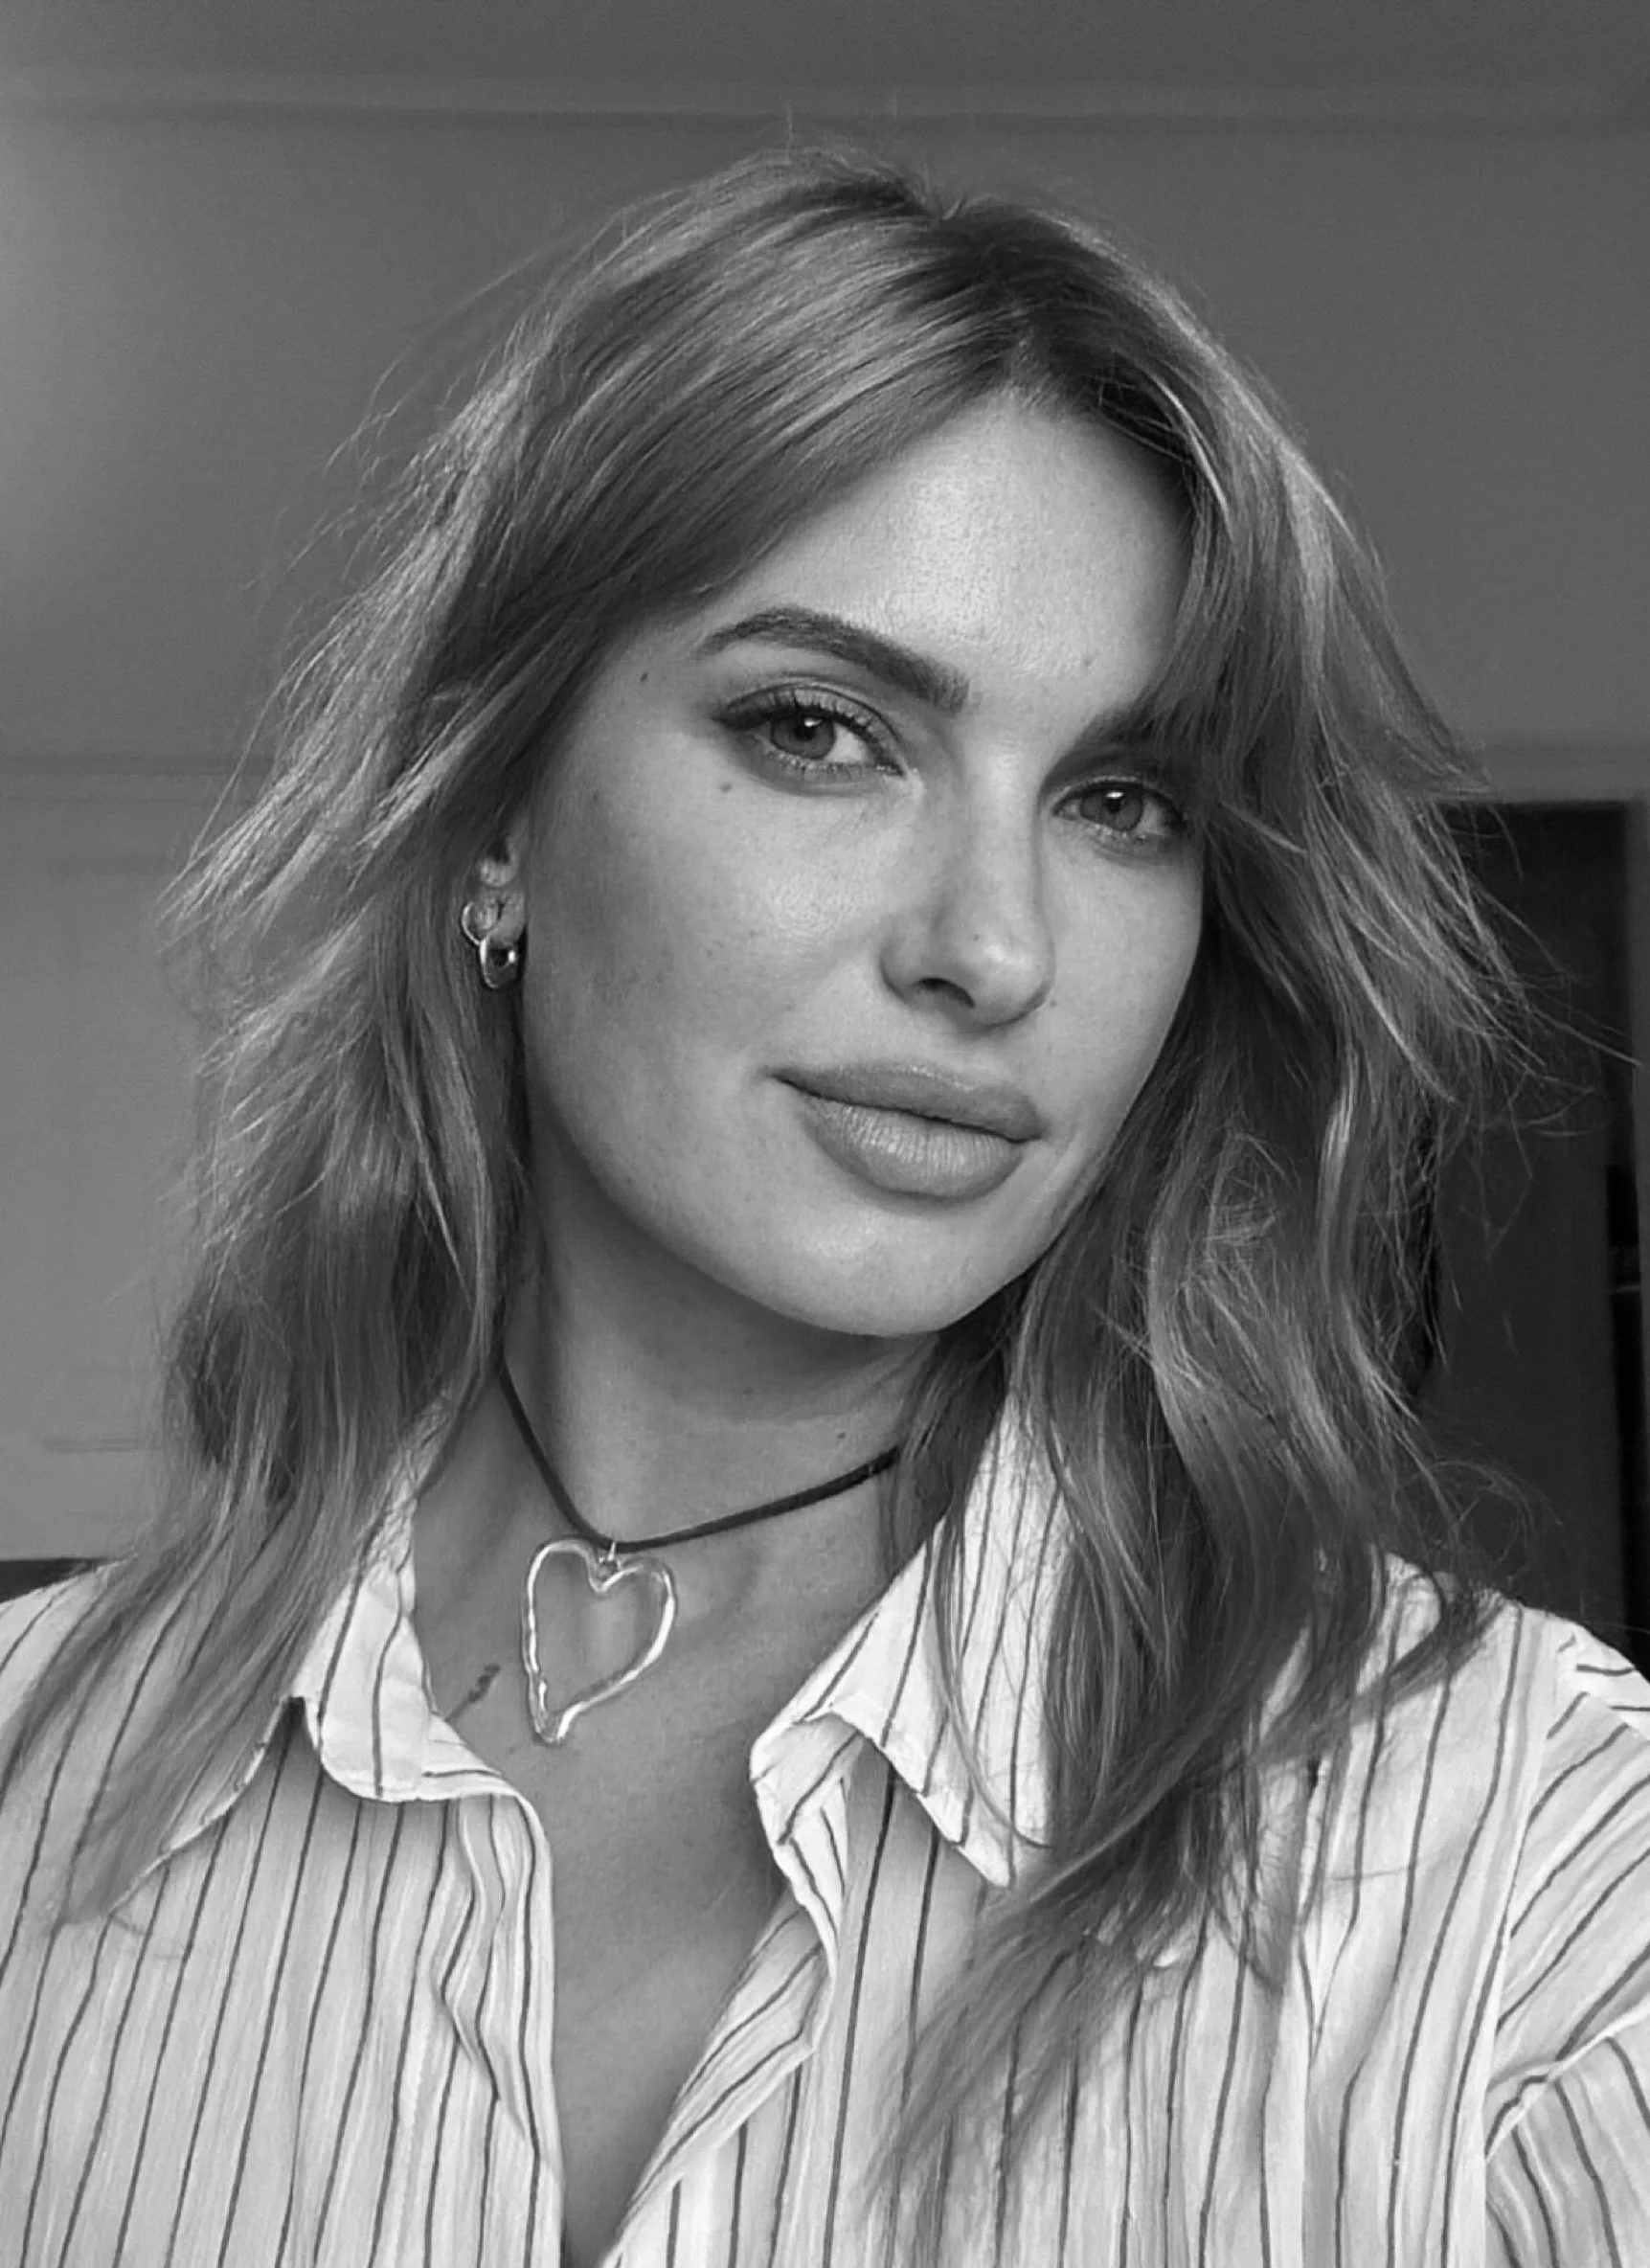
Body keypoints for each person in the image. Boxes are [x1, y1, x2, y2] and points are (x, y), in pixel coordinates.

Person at [1, 141, 1646, 2268]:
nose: (996, 950)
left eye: (1121, 800)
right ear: (494, 813)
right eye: (821, 730)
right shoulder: (34, 1775)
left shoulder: (1533, 1868)